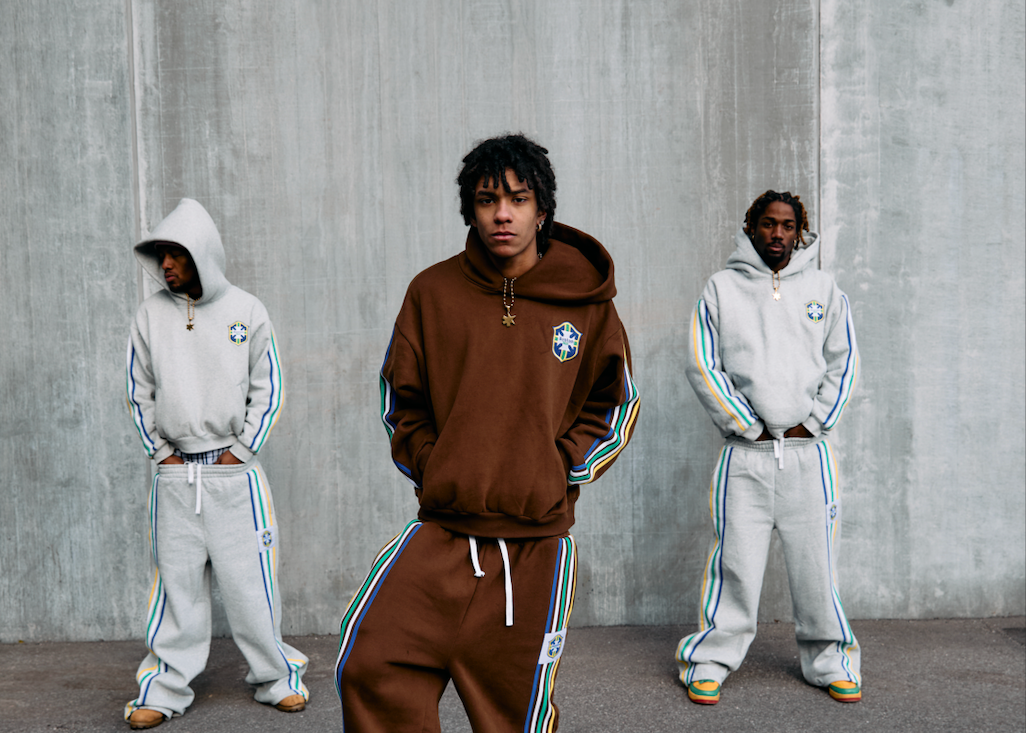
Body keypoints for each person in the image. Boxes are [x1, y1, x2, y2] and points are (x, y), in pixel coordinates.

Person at [334, 134, 640, 732]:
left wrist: (559, 468)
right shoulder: (432, 292)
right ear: (469, 211)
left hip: (534, 545)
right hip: (445, 532)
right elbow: (402, 397)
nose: (502, 213)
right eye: (486, 199)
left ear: (541, 209)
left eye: (518, 199)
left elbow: (617, 400)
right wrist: (436, 463)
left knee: (514, 716)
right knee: (370, 662)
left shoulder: (587, 303)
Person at [123, 198, 308, 729]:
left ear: (200, 254)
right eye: (160, 256)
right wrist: (161, 455)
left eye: (174, 255)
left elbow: (267, 388)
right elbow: (138, 391)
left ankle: (277, 679)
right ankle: (162, 688)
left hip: (234, 474)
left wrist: (240, 451)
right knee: (175, 590)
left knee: (253, 586)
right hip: (177, 476)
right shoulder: (150, 315)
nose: (165, 267)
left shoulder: (246, 311)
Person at [675, 191, 862, 705]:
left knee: (817, 567)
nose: (777, 234)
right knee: (733, 565)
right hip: (746, 456)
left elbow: (844, 361)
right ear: (751, 227)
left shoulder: (824, 289)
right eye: (767, 224)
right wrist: (746, 425)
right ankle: (709, 660)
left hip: (809, 459)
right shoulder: (721, 289)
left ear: (799, 231)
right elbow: (701, 361)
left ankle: (831, 661)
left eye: (786, 226)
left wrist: (815, 422)